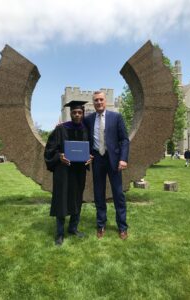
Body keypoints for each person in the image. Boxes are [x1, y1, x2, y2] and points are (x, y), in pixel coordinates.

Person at [44, 100, 92, 246]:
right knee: (61, 199)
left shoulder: (85, 130)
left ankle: (73, 228)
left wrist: (89, 158)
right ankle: (59, 233)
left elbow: (89, 150)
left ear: (83, 114)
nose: (77, 115)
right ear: (70, 113)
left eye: (79, 112)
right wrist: (59, 157)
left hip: (78, 171)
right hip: (63, 171)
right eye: (74, 112)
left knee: (77, 198)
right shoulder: (60, 129)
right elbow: (49, 150)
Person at [84, 91, 129, 240]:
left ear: (105, 101)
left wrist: (123, 159)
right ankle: (101, 225)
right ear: (93, 102)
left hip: (114, 161)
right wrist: (60, 126)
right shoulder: (88, 119)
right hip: (97, 159)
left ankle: (122, 227)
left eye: (101, 99)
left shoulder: (116, 117)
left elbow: (124, 140)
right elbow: (79, 130)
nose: (98, 102)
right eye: (96, 100)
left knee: (118, 194)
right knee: (99, 194)